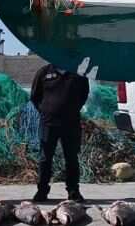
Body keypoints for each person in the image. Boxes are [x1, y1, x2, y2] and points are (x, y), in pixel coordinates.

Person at [30, 63, 89, 203]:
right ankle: (42, 191)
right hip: (48, 124)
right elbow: (35, 96)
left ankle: (73, 191)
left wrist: (72, 109)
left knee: (72, 158)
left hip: (71, 123)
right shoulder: (43, 72)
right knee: (45, 158)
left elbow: (84, 94)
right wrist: (45, 111)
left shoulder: (78, 73)